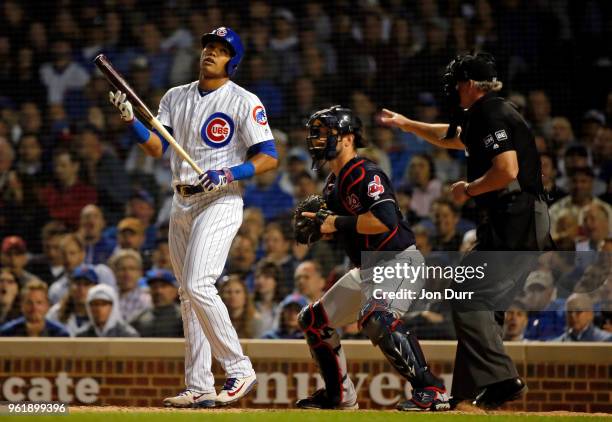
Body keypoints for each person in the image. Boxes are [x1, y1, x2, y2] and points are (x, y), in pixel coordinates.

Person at [108, 27, 278, 407]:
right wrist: (130, 121)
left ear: (232, 61)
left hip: (221, 199)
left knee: (200, 283)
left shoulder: (243, 100)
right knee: (187, 294)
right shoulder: (175, 96)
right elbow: (156, 148)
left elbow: (269, 155)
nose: (210, 54)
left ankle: (239, 368)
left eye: (220, 50)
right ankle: (199, 383)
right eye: (208, 48)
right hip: (181, 199)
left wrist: (229, 172)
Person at [381, 52, 553, 408]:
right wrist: (407, 124)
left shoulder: (493, 112)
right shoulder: (484, 114)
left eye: (458, 82)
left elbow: (506, 170)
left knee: (468, 292)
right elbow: (452, 137)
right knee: (478, 299)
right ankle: (468, 396)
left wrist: (468, 189)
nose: (454, 88)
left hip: (516, 219)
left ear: (471, 85)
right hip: (507, 221)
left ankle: (504, 380)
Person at [295, 106, 449, 411]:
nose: (318, 139)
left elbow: (385, 220)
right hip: (366, 269)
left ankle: (432, 389)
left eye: (327, 133)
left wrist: (334, 223)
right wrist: (321, 227)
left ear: (349, 138)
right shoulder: (332, 183)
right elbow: (343, 225)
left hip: (398, 261)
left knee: (377, 315)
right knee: (313, 320)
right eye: (317, 133)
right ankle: (339, 396)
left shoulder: (366, 172)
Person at [0, 279, 69, 337]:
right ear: (21, 305)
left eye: (39, 303)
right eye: (29, 303)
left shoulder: (60, 334)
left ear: (47, 306)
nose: (34, 307)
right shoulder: (7, 332)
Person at [47, 265, 99, 336]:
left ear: (96, 287)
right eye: (77, 284)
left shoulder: (101, 314)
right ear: (70, 286)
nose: (81, 289)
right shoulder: (56, 312)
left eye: (86, 284)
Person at [131, 269, 183, 338]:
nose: (158, 291)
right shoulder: (139, 318)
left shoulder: (184, 317)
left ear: (176, 290)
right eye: (154, 287)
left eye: (163, 286)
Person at [108, 249, 151, 323]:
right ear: (114, 272)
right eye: (122, 269)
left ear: (140, 273)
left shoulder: (147, 300)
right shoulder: (108, 298)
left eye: (132, 269)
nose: (127, 274)